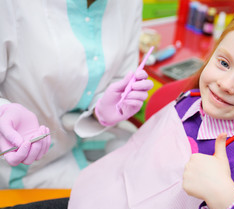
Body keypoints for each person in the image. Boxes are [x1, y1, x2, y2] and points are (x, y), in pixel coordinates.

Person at [0, 0, 234, 209]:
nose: (225, 84)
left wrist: (226, 202)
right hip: (96, 205)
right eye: (223, 63)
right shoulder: (189, 101)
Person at [0, 0, 152, 189]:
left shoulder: (129, 4)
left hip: (90, 140)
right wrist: (3, 111)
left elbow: (121, 76)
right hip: (28, 168)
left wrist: (100, 112)